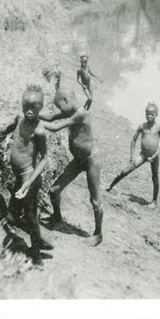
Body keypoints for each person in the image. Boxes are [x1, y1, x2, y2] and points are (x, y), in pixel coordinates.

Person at [0, 85, 53, 265]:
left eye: (35, 107)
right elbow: (4, 129)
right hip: (19, 177)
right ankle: (40, 239)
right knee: (12, 216)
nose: (30, 111)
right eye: (26, 106)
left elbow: (45, 159)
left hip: (29, 178)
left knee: (30, 216)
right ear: (21, 105)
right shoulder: (19, 118)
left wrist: (28, 183)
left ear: (41, 107)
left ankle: (36, 254)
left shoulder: (39, 131)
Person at [40, 88, 103, 246]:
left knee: (95, 200)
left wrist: (36, 122)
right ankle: (57, 217)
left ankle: (98, 233)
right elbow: (50, 117)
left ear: (67, 101)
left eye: (60, 107)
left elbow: (54, 127)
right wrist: (31, 112)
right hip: (78, 159)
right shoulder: (70, 112)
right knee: (54, 190)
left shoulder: (81, 114)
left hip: (91, 160)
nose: (60, 110)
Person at [106, 103, 160, 208]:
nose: (149, 116)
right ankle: (110, 186)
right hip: (143, 155)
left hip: (154, 157)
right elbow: (133, 140)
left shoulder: (159, 128)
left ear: (156, 115)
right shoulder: (142, 126)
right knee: (125, 171)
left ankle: (154, 201)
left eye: (151, 114)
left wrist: (155, 155)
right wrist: (131, 156)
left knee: (155, 177)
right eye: (147, 114)